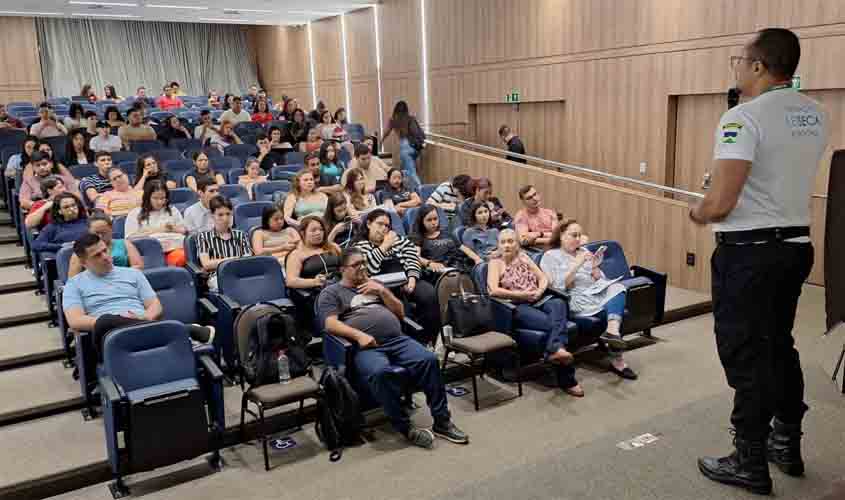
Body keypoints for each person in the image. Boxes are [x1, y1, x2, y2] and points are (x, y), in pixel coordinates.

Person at [688, 29, 828, 495]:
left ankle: (749, 458)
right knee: (779, 345)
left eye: (739, 59)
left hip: (748, 255)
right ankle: (786, 441)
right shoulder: (815, 114)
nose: (736, 67)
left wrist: (698, 209)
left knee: (746, 355)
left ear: (758, 66)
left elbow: (722, 202)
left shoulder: (741, 118)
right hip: (794, 248)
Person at [318, 247, 469, 448]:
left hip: (397, 340)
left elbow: (399, 312)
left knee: (429, 360)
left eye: (363, 263)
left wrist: (381, 291)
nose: (362, 268)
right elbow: (330, 324)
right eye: (356, 265)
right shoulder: (332, 292)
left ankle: (442, 421)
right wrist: (359, 335)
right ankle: (405, 427)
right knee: (381, 372)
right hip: (366, 347)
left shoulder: (375, 284)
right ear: (343, 269)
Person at [62, 233, 213, 361]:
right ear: (83, 262)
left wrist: (146, 317)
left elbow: (155, 305)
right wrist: (116, 320)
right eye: (97, 255)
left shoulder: (133, 274)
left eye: (105, 250)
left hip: (144, 325)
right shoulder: (74, 284)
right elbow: (75, 321)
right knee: (105, 320)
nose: (106, 257)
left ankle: (165, 331)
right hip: (110, 338)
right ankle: (183, 331)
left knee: (113, 321)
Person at [487, 229, 583, 396]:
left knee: (559, 302)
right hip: (517, 305)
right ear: (498, 245)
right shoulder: (495, 263)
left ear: (517, 244)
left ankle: (554, 350)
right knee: (552, 325)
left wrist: (539, 290)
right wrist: (521, 295)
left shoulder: (524, 256)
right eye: (503, 242)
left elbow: (543, 277)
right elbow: (493, 291)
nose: (507, 245)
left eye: (511, 241)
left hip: (538, 297)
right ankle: (568, 379)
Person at [540, 219, 637, 373]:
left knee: (617, 287)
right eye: (573, 235)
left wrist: (596, 271)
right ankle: (617, 359)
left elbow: (601, 279)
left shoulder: (584, 252)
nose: (578, 239)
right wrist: (577, 263)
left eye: (579, 235)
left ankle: (612, 331)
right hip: (576, 298)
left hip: (595, 291)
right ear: (561, 236)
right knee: (613, 311)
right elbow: (558, 286)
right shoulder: (550, 256)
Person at [353, 209, 440, 345]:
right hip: (382, 287)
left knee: (429, 294)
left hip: (406, 279)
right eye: (380, 224)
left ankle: (430, 340)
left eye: (387, 226)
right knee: (402, 307)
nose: (384, 229)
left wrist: (412, 278)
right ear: (369, 224)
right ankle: (410, 343)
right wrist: (385, 245)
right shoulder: (360, 246)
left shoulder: (398, 240)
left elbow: (411, 255)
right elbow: (369, 267)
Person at [125, 180, 187, 267]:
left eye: (162, 198)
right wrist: (159, 230)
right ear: (147, 197)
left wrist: (173, 228)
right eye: (155, 198)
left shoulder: (172, 210)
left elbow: (183, 231)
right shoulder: (135, 213)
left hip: (174, 248)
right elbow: (130, 238)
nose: (160, 202)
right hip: (148, 253)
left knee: (182, 257)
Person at [196, 196, 253, 291]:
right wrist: (235, 259)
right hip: (217, 276)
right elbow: (206, 264)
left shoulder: (241, 234)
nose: (225, 218)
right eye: (220, 215)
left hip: (241, 273)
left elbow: (247, 259)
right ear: (212, 215)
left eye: (228, 214)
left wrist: (218, 261)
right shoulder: (203, 237)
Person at [412, 204, 481, 276]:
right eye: (429, 220)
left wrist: (477, 259)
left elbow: (462, 247)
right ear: (421, 221)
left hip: (458, 266)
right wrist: (430, 263)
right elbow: (416, 257)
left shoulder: (446, 233)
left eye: (435, 219)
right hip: (438, 272)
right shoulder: (417, 237)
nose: (433, 223)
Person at [69, 211, 143, 278]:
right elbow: (73, 279)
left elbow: (138, 267)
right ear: (89, 232)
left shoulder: (124, 243)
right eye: (96, 233)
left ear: (111, 229)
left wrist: (114, 276)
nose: (100, 236)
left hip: (125, 281)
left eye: (104, 232)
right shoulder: (81, 250)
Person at [381, 101, 423, 190]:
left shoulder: (393, 120)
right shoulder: (411, 118)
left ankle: (421, 190)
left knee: (411, 173)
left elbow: (386, 132)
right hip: (415, 148)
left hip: (405, 148)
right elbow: (419, 133)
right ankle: (404, 190)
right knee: (403, 171)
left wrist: (381, 142)